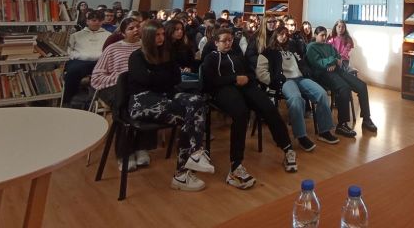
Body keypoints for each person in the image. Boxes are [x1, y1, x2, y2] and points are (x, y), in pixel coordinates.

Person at [201, 27, 299, 189]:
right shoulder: (211, 58)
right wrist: (234, 79)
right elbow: (209, 81)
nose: (228, 43)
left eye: (230, 40)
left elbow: (251, 73)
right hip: (224, 89)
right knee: (241, 114)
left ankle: (287, 148)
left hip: (245, 86)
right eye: (224, 41)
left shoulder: (237, 55)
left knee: (268, 107)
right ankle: (235, 166)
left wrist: (247, 78)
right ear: (216, 42)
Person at [128, 20, 213, 192]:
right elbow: (145, 81)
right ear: (148, 36)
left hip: (166, 95)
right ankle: (184, 170)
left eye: (162, 34)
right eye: (156, 35)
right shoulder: (137, 57)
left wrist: (157, 76)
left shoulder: (166, 54)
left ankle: (193, 157)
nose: (161, 38)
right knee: (191, 117)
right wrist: (162, 77)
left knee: (197, 102)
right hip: (143, 102)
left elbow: (176, 78)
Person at [256, 25, 340, 151]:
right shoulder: (268, 52)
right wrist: (275, 81)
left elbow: (302, 64)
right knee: (296, 99)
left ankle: (324, 131)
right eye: (281, 34)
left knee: (322, 93)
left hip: (300, 78)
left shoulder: (292, 49)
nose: (284, 36)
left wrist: (306, 71)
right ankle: (301, 136)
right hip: (285, 81)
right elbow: (261, 73)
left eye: (286, 34)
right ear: (275, 35)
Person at [90, 16, 155, 171]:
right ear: (123, 33)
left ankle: (141, 147)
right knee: (123, 105)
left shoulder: (146, 47)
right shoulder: (112, 48)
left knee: (147, 100)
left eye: (138, 27)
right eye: (131, 28)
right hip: (113, 86)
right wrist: (120, 78)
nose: (136, 30)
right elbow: (97, 76)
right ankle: (124, 153)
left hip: (138, 86)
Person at [306, 26, 377, 137]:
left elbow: (338, 57)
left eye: (325, 35)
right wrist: (333, 61)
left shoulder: (328, 46)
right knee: (344, 88)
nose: (324, 38)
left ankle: (366, 119)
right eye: (321, 35)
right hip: (323, 74)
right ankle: (341, 125)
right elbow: (319, 63)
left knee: (362, 86)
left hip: (337, 70)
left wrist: (334, 63)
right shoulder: (311, 47)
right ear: (315, 35)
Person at [62, 9, 107, 107]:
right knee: (73, 71)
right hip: (79, 61)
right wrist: (78, 56)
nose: (96, 23)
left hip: (100, 62)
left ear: (102, 22)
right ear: (87, 21)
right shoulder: (76, 35)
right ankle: (67, 99)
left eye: (99, 20)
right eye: (93, 20)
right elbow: (68, 50)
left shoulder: (108, 35)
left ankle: (98, 101)